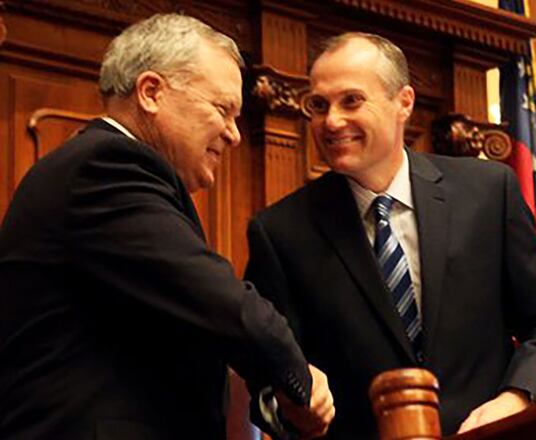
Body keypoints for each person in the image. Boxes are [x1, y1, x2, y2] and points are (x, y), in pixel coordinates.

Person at [0, 14, 333, 440]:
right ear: (151, 92)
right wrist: (297, 375)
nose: (233, 134)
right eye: (223, 109)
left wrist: (276, 394)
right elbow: (219, 302)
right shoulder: (103, 167)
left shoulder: (112, 173)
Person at [244, 32, 536, 438]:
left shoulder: (488, 193)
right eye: (318, 105)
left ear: (403, 102)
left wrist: (517, 399)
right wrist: (292, 404)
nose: (331, 122)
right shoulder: (281, 232)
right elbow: (267, 378)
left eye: (351, 100)